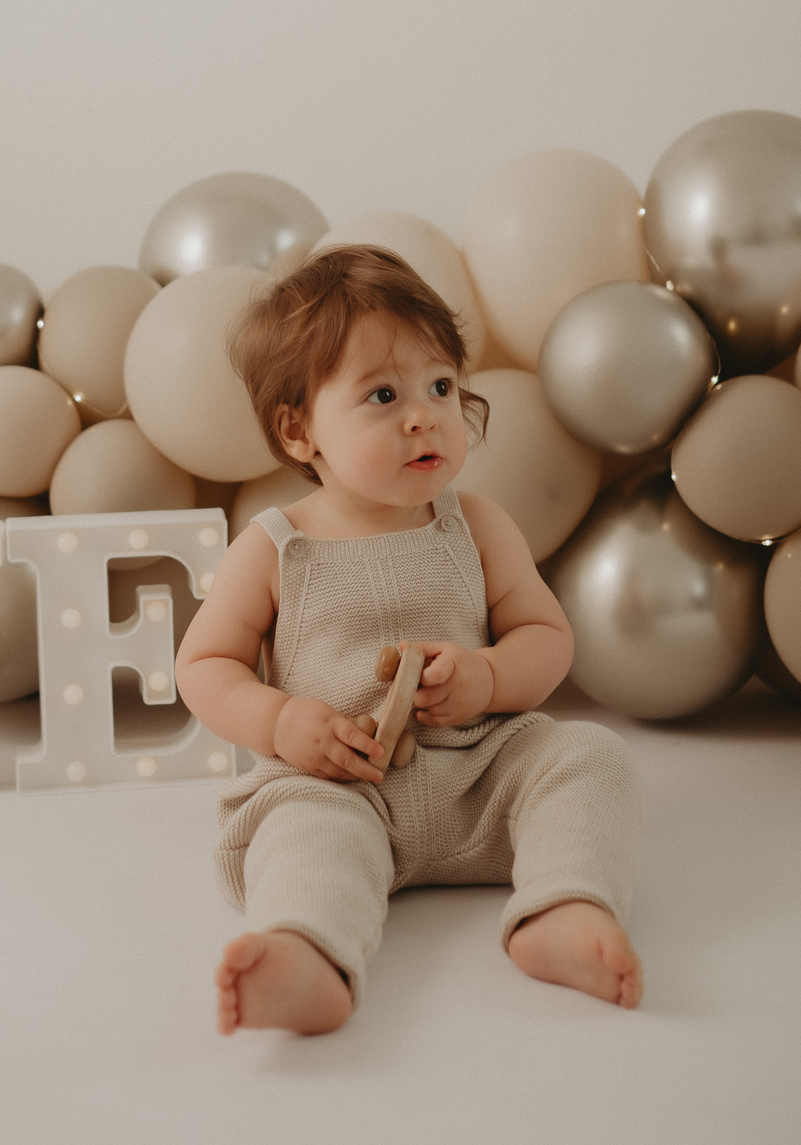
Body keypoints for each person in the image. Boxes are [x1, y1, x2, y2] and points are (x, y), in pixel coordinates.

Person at [175, 245, 641, 1036]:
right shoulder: (275, 548)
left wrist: (488, 677)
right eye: (383, 395)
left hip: (479, 775)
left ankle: (561, 907)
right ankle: (307, 955)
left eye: (441, 386)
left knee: (587, 756)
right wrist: (281, 722)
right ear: (299, 431)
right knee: (303, 835)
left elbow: (545, 637)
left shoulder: (477, 525)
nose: (424, 415)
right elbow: (204, 665)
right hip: (340, 787)